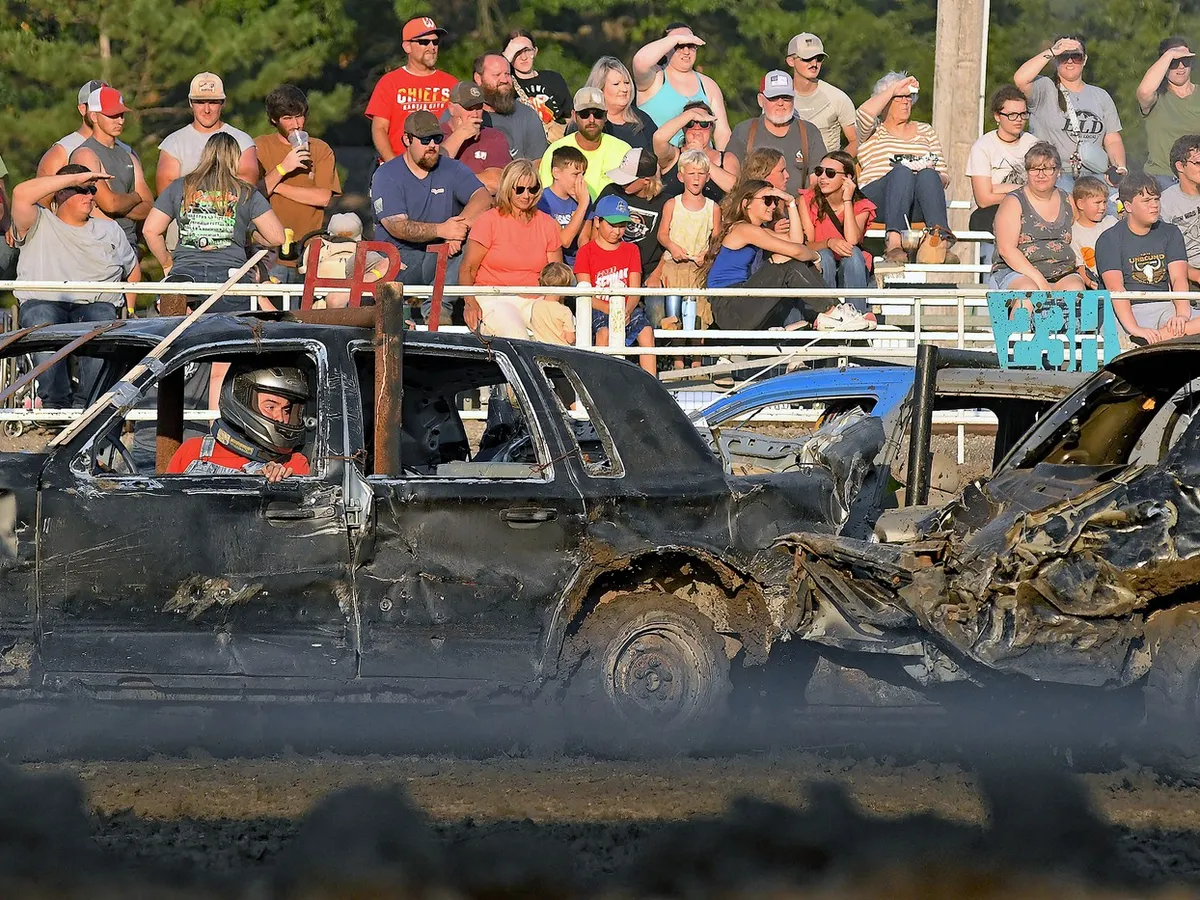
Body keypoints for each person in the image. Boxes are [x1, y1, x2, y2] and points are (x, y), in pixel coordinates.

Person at [10, 166, 140, 408]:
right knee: (42, 316)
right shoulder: (39, 220)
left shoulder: (110, 229)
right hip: (44, 302)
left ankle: (88, 407)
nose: (90, 195)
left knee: (101, 318)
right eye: (82, 189)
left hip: (95, 305)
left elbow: (132, 270)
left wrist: (130, 312)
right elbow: (20, 193)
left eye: (92, 189)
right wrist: (74, 178)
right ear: (59, 192)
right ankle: (55, 405)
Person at [370, 110, 492, 321]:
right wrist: (442, 230)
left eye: (437, 138)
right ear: (407, 139)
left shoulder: (451, 168)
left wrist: (457, 229)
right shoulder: (387, 173)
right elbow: (396, 226)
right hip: (397, 258)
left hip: (442, 255)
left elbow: (482, 197)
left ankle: (439, 313)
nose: (432, 145)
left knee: (474, 245)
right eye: (425, 139)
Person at [145, 132, 284, 308]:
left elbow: (150, 230)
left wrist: (167, 263)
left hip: (184, 276)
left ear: (205, 155)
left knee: (178, 331)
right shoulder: (246, 192)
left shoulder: (180, 187)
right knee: (231, 332)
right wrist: (250, 233)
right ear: (235, 159)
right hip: (231, 279)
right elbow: (277, 238)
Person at [704, 179, 830, 331]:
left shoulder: (759, 231)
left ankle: (833, 312)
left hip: (741, 300)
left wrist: (790, 203)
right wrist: (816, 256)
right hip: (730, 306)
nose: (773, 206)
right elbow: (796, 251)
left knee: (790, 259)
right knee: (787, 264)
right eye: (767, 200)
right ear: (747, 203)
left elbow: (796, 243)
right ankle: (831, 311)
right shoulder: (744, 229)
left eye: (776, 201)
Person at [460, 159, 563, 339]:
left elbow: (556, 274)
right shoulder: (488, 221)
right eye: (520, 189)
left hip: (535, 300)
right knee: (516, 334)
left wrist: (553, 305)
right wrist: (470, 303)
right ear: (509, 188)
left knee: (562, 331)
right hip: (494, 297)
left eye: (532, 189)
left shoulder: (547, 224)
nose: (526, 195)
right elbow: (468, 268)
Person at [856, 72, 952, 264]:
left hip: (914, 201)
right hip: (877, 201)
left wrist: (929, 171)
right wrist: (895, 87)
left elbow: (944, 177)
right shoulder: (873, 131)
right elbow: (863, 113)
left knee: (927, 174)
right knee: (901, 171)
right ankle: (893, 242)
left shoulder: (926, 131)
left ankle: (938, 242)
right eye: (899, 98)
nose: (906, 102)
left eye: (908, 97)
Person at [1013, 36, 1125, 193]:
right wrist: (1053, 51)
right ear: (1056, 60)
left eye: (1076, 56)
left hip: (1095, 174)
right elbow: (1020, 79)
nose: (1070, 61)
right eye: (1064, 56)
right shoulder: (1044, 88)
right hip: (1054, 174)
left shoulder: (1101, 96)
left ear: (1084, 60)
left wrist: (1119, 167)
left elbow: (1112, 139)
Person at [255, 84, 341, 284]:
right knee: (272, 312)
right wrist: (284, 168)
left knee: (304, 312)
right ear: (274, 120)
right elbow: (252, 194)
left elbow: (323, 197)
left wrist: (277, 186)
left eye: (299, 116)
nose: (296, 124)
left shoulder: (320, 149)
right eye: (287, 118)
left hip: (310, 250)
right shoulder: (259, 146)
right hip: (270, 251)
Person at [167, 364, 311, 482]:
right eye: (270, 407)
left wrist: (278, 483)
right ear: (242, 403)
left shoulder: (292, 464)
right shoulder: (193, 451)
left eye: (286, 410)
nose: (280, 418)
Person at [1096, 174, 1194, 344]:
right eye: (1146, 200)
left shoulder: (1170, 232)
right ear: (1128, 206)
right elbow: (1116, 289)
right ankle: (1142, 338)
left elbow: (1179, 278)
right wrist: (1135, 329)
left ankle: (1157, 339)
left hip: (1165, 306)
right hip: (1130, 309)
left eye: (1156, 199)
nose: (1154, 205)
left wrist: (1182, 316)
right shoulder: (1109, 238)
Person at [988, 143, 1085, 301]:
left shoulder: (1068, 200)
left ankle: (1070, 326)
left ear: (1058, 172)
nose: (1041, 175)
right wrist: (1040, 281)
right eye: (1034, 169)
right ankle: (1020, 326)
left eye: (1047, 168)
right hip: (1017, 273)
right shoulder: (1013, 202)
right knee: (1029, 292)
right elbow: (1006, 250)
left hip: (1062, 273)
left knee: (1076, 290)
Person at [574, 196, 656, 374]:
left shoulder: (631, 250)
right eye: (612, 225)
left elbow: (635, 290)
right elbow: (585, 293)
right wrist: (611, 310)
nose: (617, 231)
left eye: (622, 225)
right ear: (597, 222)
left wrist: (625, 310)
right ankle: (602, 383)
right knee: (603, 334)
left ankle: (652, 385)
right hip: (599, 309)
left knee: (647, 332)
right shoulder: (585, 252)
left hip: (628, 308)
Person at [68, 86, 154, 251]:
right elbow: (110, 204)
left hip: (129, 246)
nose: (120, 121)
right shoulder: (85, 154)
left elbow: (149, 206)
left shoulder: (129, 155)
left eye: (121, 115)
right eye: (112, 115)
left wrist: (117, 205)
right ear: (93, 116)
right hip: (99, 246)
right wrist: (135, 197)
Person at [799, 150, 877, 326]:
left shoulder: (861, 205)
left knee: (853, 253)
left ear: (847, 178)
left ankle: (857, 316)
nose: (823, 177)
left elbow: (852, 241)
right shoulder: (807, 200)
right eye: (819, 171)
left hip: (851, 268)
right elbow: (807, 243)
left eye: (830, 173)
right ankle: (829, 314)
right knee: (824, 255)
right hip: (821, 266)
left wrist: (847, 200)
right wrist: (829, 242)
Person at [365, 16, 456, 163]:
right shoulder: (389, 82)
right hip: (398, 167)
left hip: (440, 168)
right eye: (424, 42)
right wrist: (393, 165)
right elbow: (379, 129)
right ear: (407, 46)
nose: (432, 47)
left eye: (435, 41)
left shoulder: (451, 83)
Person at [157, 73, 258, 194]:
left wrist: (193, 186)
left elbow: (247, 185)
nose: (206, 109)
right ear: (191, 103)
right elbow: (166, 192)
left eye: (213, 102)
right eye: (200, 102)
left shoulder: (243, 141)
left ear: (223, 103)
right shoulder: (173, 143)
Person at [726, 71, 825, 194]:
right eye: (773, 98)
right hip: (755, 209)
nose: (780, 103)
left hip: (798, 208)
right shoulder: (744, 130)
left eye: (786, 98)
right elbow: (730, 168)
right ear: (760, 100)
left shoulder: (809, 132)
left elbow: (818, 177)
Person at [633, 25, 731, 149]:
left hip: (701, 164)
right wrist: (676, 38)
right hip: (661, 163)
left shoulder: (707, 84)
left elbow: (722, 133)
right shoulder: (655, 77)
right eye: (679, 46)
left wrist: (723, 162)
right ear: (666, 49)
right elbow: (639, 61)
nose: (686, 51)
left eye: (690, 45)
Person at [966, 85, 1040, 235]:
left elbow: (1042, 188)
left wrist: (1000, 188)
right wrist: (1021, 192)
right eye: (1012, 115)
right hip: (989, 212)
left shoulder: (1034, 144)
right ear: (997, 116)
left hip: (1029, 210)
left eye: (1023, 114)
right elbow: (984, 199)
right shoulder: (982, 146)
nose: (1019, 120)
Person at [538, 87, 631, 198]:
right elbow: (546, 197)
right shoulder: (556, 151)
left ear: (605, 116)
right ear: (574, 116)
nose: (591, 120)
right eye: (584, 114)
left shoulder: (623, 150)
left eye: (597, 114)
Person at [596, 149, 670, 288]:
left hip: (649, 270)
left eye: (627, 180)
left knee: (656, 306)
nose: (622, 183)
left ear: (646, 181)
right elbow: (595, 227)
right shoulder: (612, 191)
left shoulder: (665, 203)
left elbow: (670, 244)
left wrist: (656, 274)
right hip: (611, 267)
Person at [1138, 37, 1200, 188]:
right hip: (1161, 178)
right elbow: (1144, 91)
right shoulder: (1156, 97)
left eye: (1185, 61)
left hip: (1196, 179)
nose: (1180, 66)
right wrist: (1169, 54)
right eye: (1173, 62)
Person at [658, 149, 719, 290]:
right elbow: (662, 234)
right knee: (672, 311)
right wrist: (672, 247)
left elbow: (717, 240)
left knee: (699, 310)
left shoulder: (713, 208)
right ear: (681, 176)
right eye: (691, 174)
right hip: (672, 266)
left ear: (708, 177)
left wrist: (707, 254)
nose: (696, 178)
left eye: (701, 174)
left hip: (699, 269)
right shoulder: (672, 204)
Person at [786, 33, 857, 154]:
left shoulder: (838, 98)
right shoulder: (777, 99)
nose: (814, 64)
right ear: (791, 61)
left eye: (819, 59)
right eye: (807, 58)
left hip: (824, 171)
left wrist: (835, 166)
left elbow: (856, 141)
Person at [654, 100, 739, 201]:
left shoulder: (726, 159)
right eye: (690, 123)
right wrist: (690, 114)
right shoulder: (673, 156)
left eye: (703, 123)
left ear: (711, 127)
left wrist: (703, 158)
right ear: (683, 128)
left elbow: (736, 189)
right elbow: (658, 139)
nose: (697, 128)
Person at [440, 81, 511, 196]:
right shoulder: (435, 136)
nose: (475, 114)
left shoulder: (493, 137)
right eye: (469, 108)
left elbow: (495, 182)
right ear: (451, 108)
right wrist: (460, 135)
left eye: (478, 108)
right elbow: (430, 173)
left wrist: (448, 183)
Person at [474, 52, 548, 162]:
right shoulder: (461, 113)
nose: (504, 80)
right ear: (478, 78)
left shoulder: (527, 115)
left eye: (507, 74)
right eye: (496, 75)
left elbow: (538, 162)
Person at [583, 57, 657, 155]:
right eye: (616, 84)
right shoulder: (585, 121)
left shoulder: (641, 118)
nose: (624, 89)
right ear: (600, 88)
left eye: (626, 83)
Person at [504, 29, 571, 136]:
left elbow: (570, 118)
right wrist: (504, 60)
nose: (524, 57)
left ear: (535, 51)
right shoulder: (505, 84)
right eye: (517, 53)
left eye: (527, 50)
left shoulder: (553, 79)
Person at [36, 80, 104, 178]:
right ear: (82, 109)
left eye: (109, 107)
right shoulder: (62, 151)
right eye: (97, 106)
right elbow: (41, 192)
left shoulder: (126, 151)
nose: (104, 111)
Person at [537, 145, 591, 266]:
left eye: (583, 174)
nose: (580, 180)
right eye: (575, 174)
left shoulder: (583, 198)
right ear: (556, 173)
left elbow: (584, 240)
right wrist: (582, 205)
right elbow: (563, 241)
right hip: (554, 265)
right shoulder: (543, 201)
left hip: (577, 264)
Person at [1160, 134, 1200, 287]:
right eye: (1198, 163)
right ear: (1180, 166)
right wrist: (1193, 273)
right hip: (1186, 275)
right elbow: (1162, 251)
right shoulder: (1164, 204)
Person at [1070, 176, 1116, 289]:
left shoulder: (1111, 222)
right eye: (1097, 203)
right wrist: (1088, 282)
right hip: (1095, 284)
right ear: (1080, 204)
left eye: (1105, 202)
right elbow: (1080, 265)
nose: (1102, 207)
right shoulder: (1074, 232)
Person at [531, 262, 577, 346]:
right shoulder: (565, 311)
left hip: (540, 350)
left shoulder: (536, 305)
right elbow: (570, 339)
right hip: (561, 351)